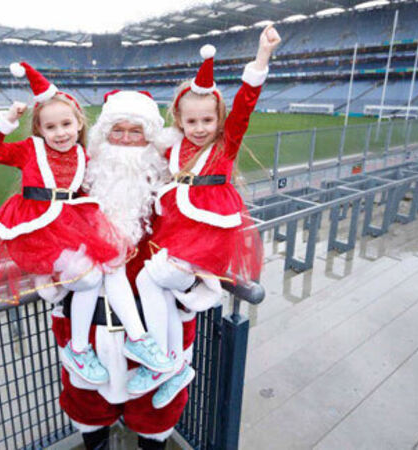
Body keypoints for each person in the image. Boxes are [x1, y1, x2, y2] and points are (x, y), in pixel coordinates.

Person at [0, 62, 172, 388]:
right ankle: (81, 346)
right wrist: (6, 121)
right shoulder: (31, 150)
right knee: (90, 278)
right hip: (37, 227)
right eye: (51, 127)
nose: (60, 133)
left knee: (106, 267)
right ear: (39, 129)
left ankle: (124, 341)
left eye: (66, 124)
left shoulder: (84, 156)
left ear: (79, 124)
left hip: (68, 225)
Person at [39, 89, 225, 450]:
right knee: (88, 409)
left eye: (135, 131)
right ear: (102, 135)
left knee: (155, 416)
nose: (125, 140)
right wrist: (60, 272)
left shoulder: (174, 191)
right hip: (91, 331)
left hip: (157, 334)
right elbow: (45, 239)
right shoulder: (77, 184)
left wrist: (186, 277)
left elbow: (206, 242)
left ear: (151, 138)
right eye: (117, 130)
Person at [133, 25, 281, 407]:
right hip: (181, 232)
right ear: (180, 120)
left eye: (207, 121)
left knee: (158, 278)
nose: (200, 129)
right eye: (192, 121)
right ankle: (169, 362)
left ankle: (200, 293)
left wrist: (261, 58)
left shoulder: (226, 143)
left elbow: (246, 103)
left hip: (210, 233)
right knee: (150, 282)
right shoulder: (175, 147)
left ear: (219, 120)